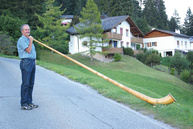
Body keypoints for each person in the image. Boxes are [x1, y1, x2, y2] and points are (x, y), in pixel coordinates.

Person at [17, 24, 38, 110]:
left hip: (32, 62)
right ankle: (24, 104)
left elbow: (33, 52)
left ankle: (29, 102)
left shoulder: (29, 39)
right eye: (25, 30)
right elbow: (28, 50)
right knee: (26, 84)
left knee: (31, 83)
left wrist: (34, 60)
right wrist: (31, 41)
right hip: (26, 63)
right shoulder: (22, 40)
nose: (28, 31)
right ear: (22, 31)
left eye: (28, 29)